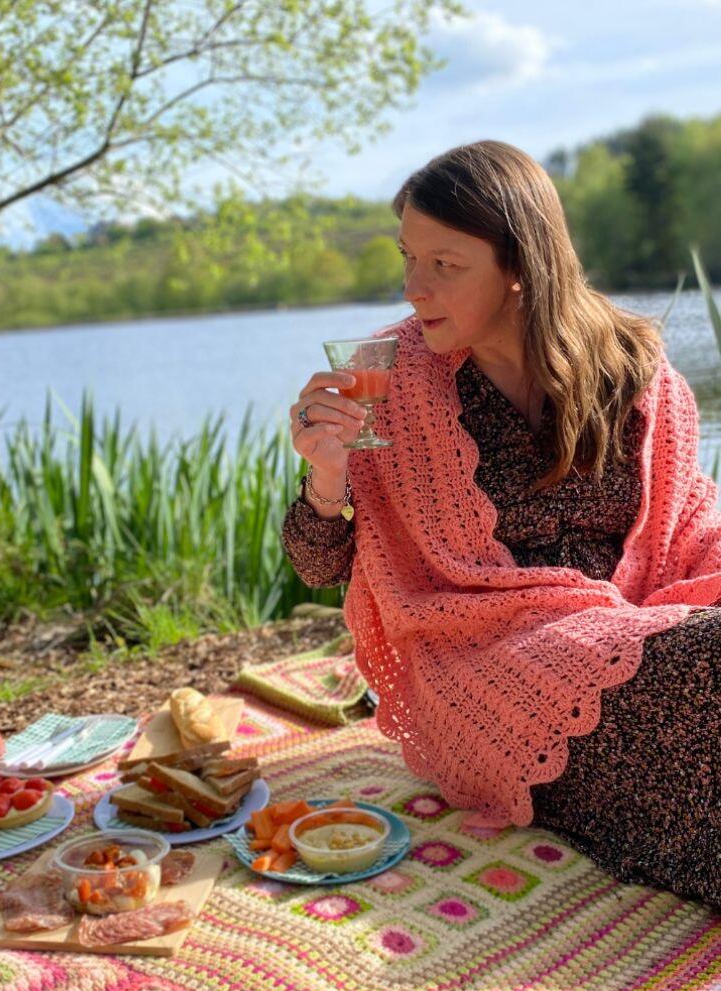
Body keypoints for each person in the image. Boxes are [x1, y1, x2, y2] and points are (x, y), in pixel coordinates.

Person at [282, 140, 721, 909]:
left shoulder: (632, 371)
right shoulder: (391, 378)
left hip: (639, 629)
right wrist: (325, 474)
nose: (415, 288)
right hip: (481, 662)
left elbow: (692, 522)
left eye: (444, 264)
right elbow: (319, 567)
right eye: (407, 258)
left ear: (522, 263)